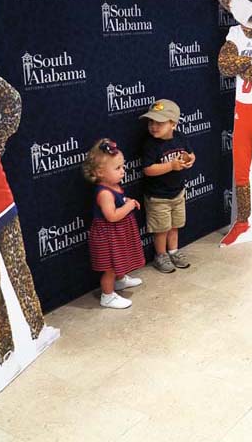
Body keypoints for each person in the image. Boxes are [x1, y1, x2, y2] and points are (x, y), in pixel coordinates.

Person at [81, 138, 146, 310]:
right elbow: (112, 216)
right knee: (110, 267)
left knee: (120, 259)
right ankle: (107, 296)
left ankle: (120, 280)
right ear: (100, 172)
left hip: (118, 232)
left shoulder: (115, 186)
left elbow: (120, 201)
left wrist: (127, 200)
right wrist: (129, 205)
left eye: (122, 166)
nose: (123, 171)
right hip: (108, 235)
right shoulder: (104, 193)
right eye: (117, 168)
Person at [140, 99, 195, 273]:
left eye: (159, 122)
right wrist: (171, 166)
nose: (153, 126)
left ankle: (173, 251)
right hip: (158, 196)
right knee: (161, 229)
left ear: (173, 124)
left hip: (178, 193)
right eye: (151, 122)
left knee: (174, 226)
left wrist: (190, 160)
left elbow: (191, 154)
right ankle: (161, 255)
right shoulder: (150, 144)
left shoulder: (180, 138)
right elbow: (148, 169)